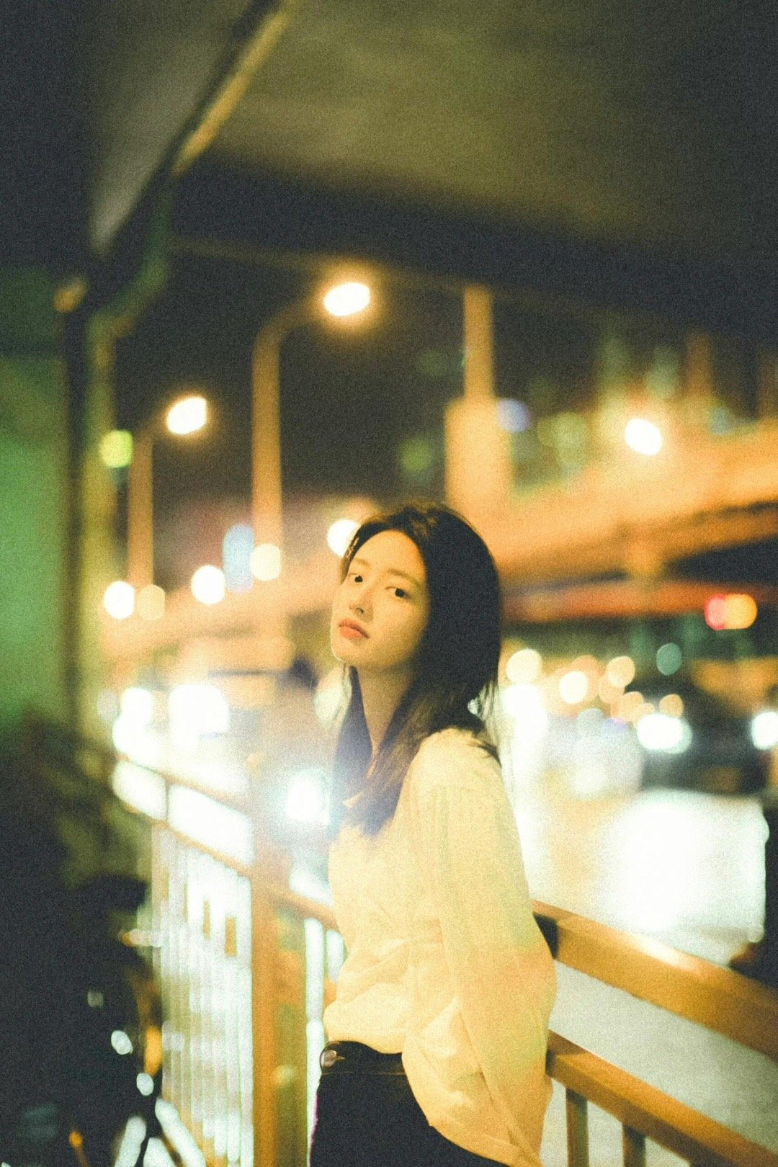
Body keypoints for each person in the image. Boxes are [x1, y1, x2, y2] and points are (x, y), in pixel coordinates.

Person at [309, 501, 557, 1167]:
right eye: (357, 576)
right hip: (360, 1086)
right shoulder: (370, 759)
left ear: (443, 626)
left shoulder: (449, 768)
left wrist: (501, 1134)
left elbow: (502, 968)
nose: (361, 598)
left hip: (420, 1110)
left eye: (398, 591)